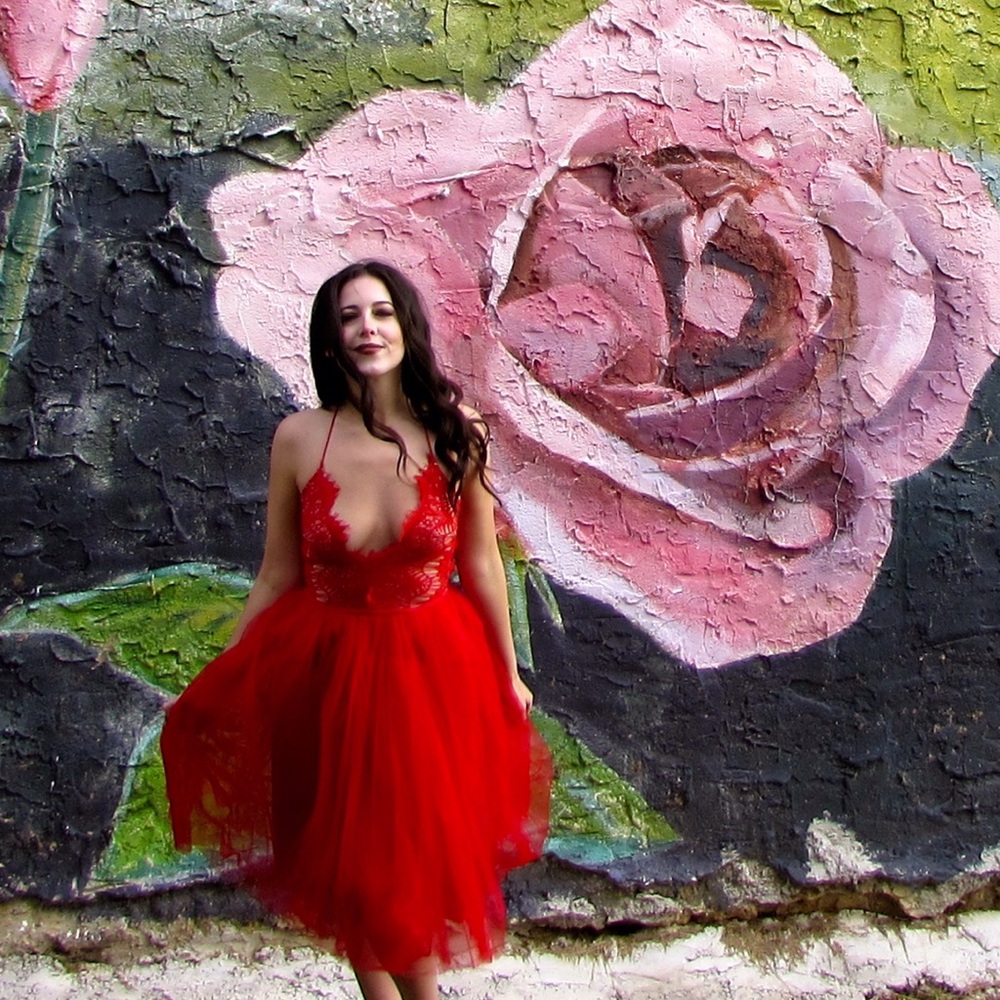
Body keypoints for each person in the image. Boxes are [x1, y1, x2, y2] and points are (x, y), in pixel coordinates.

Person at [161, 260, 551, 1000]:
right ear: (331, 340)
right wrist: (229, 668)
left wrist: (507, 673)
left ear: (406, 327)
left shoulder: (456, 433)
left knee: (406, 864)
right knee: (351, 865)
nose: (367, 328)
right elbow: (278, 571)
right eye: (349, 317)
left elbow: (482, 561)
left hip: (430, 672)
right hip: (324, 670)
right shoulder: (299, 439)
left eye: (381, 313)